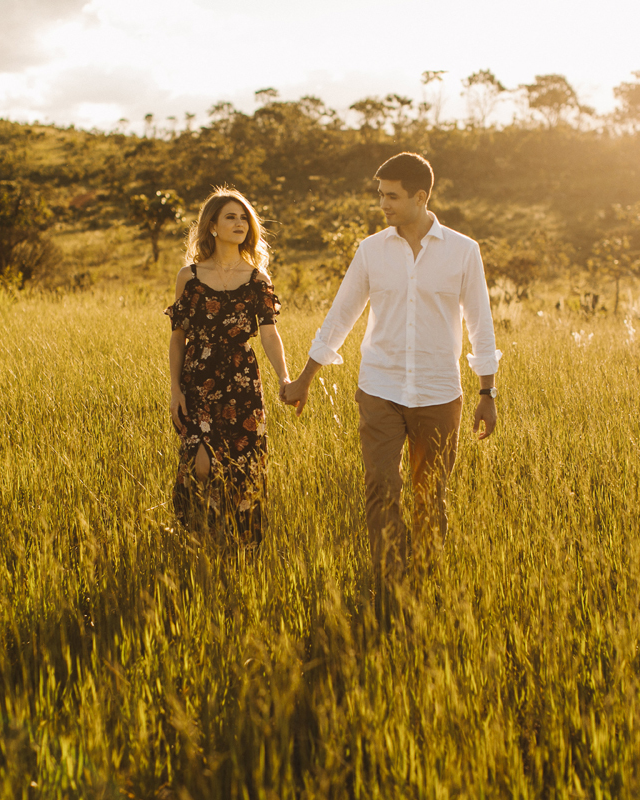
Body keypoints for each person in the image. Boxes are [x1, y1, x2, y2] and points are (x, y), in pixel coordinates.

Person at [281, 152, 499, 620]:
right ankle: (387, 582)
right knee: (380, 485)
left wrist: (488, 392)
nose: (383, 203)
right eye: (380, 194)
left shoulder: (463, 251)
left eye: (392, 196)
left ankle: (424, 582)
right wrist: (305, 378)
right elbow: (341, 316)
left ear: (422, 197)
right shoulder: (370, 251)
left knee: (430, 493)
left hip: (440, 393)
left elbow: (481, 324)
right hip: (379, 387)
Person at [166, 188, 289, 545]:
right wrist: (175, 389)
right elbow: (178, 338)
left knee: (243, 465)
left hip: (242, 379)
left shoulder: (257, 279)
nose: (239, 223)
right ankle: (196, 538)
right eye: (230, 217)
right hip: (198, 377)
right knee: (199, 464)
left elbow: (269, 335)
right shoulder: (188, 277)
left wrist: (284, 376)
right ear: (213, 226)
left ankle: (237, 545)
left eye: (244, 218)